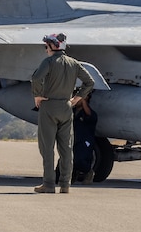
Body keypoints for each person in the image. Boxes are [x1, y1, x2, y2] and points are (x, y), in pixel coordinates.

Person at [29, 33, 94, 193]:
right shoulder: (74, 63)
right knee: (66, 148)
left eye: (46, 46)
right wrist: (76, 99)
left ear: (53, 46)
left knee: (47, 148)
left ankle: (49, 184)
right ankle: (65, 185)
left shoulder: (49, 62)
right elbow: (90, 82)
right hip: (66, 107)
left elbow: (36, 78)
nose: (45, 50)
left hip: (49, 106)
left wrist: (37, 95)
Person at [71, 93, 99, 183]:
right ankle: (71, 175)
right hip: (74, 139)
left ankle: (88, 172)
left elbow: (89, 115)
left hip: (84, 140)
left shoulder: (90, 114)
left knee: (81, 159)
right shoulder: (72, 112)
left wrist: (83, 100)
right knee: (69, 159)